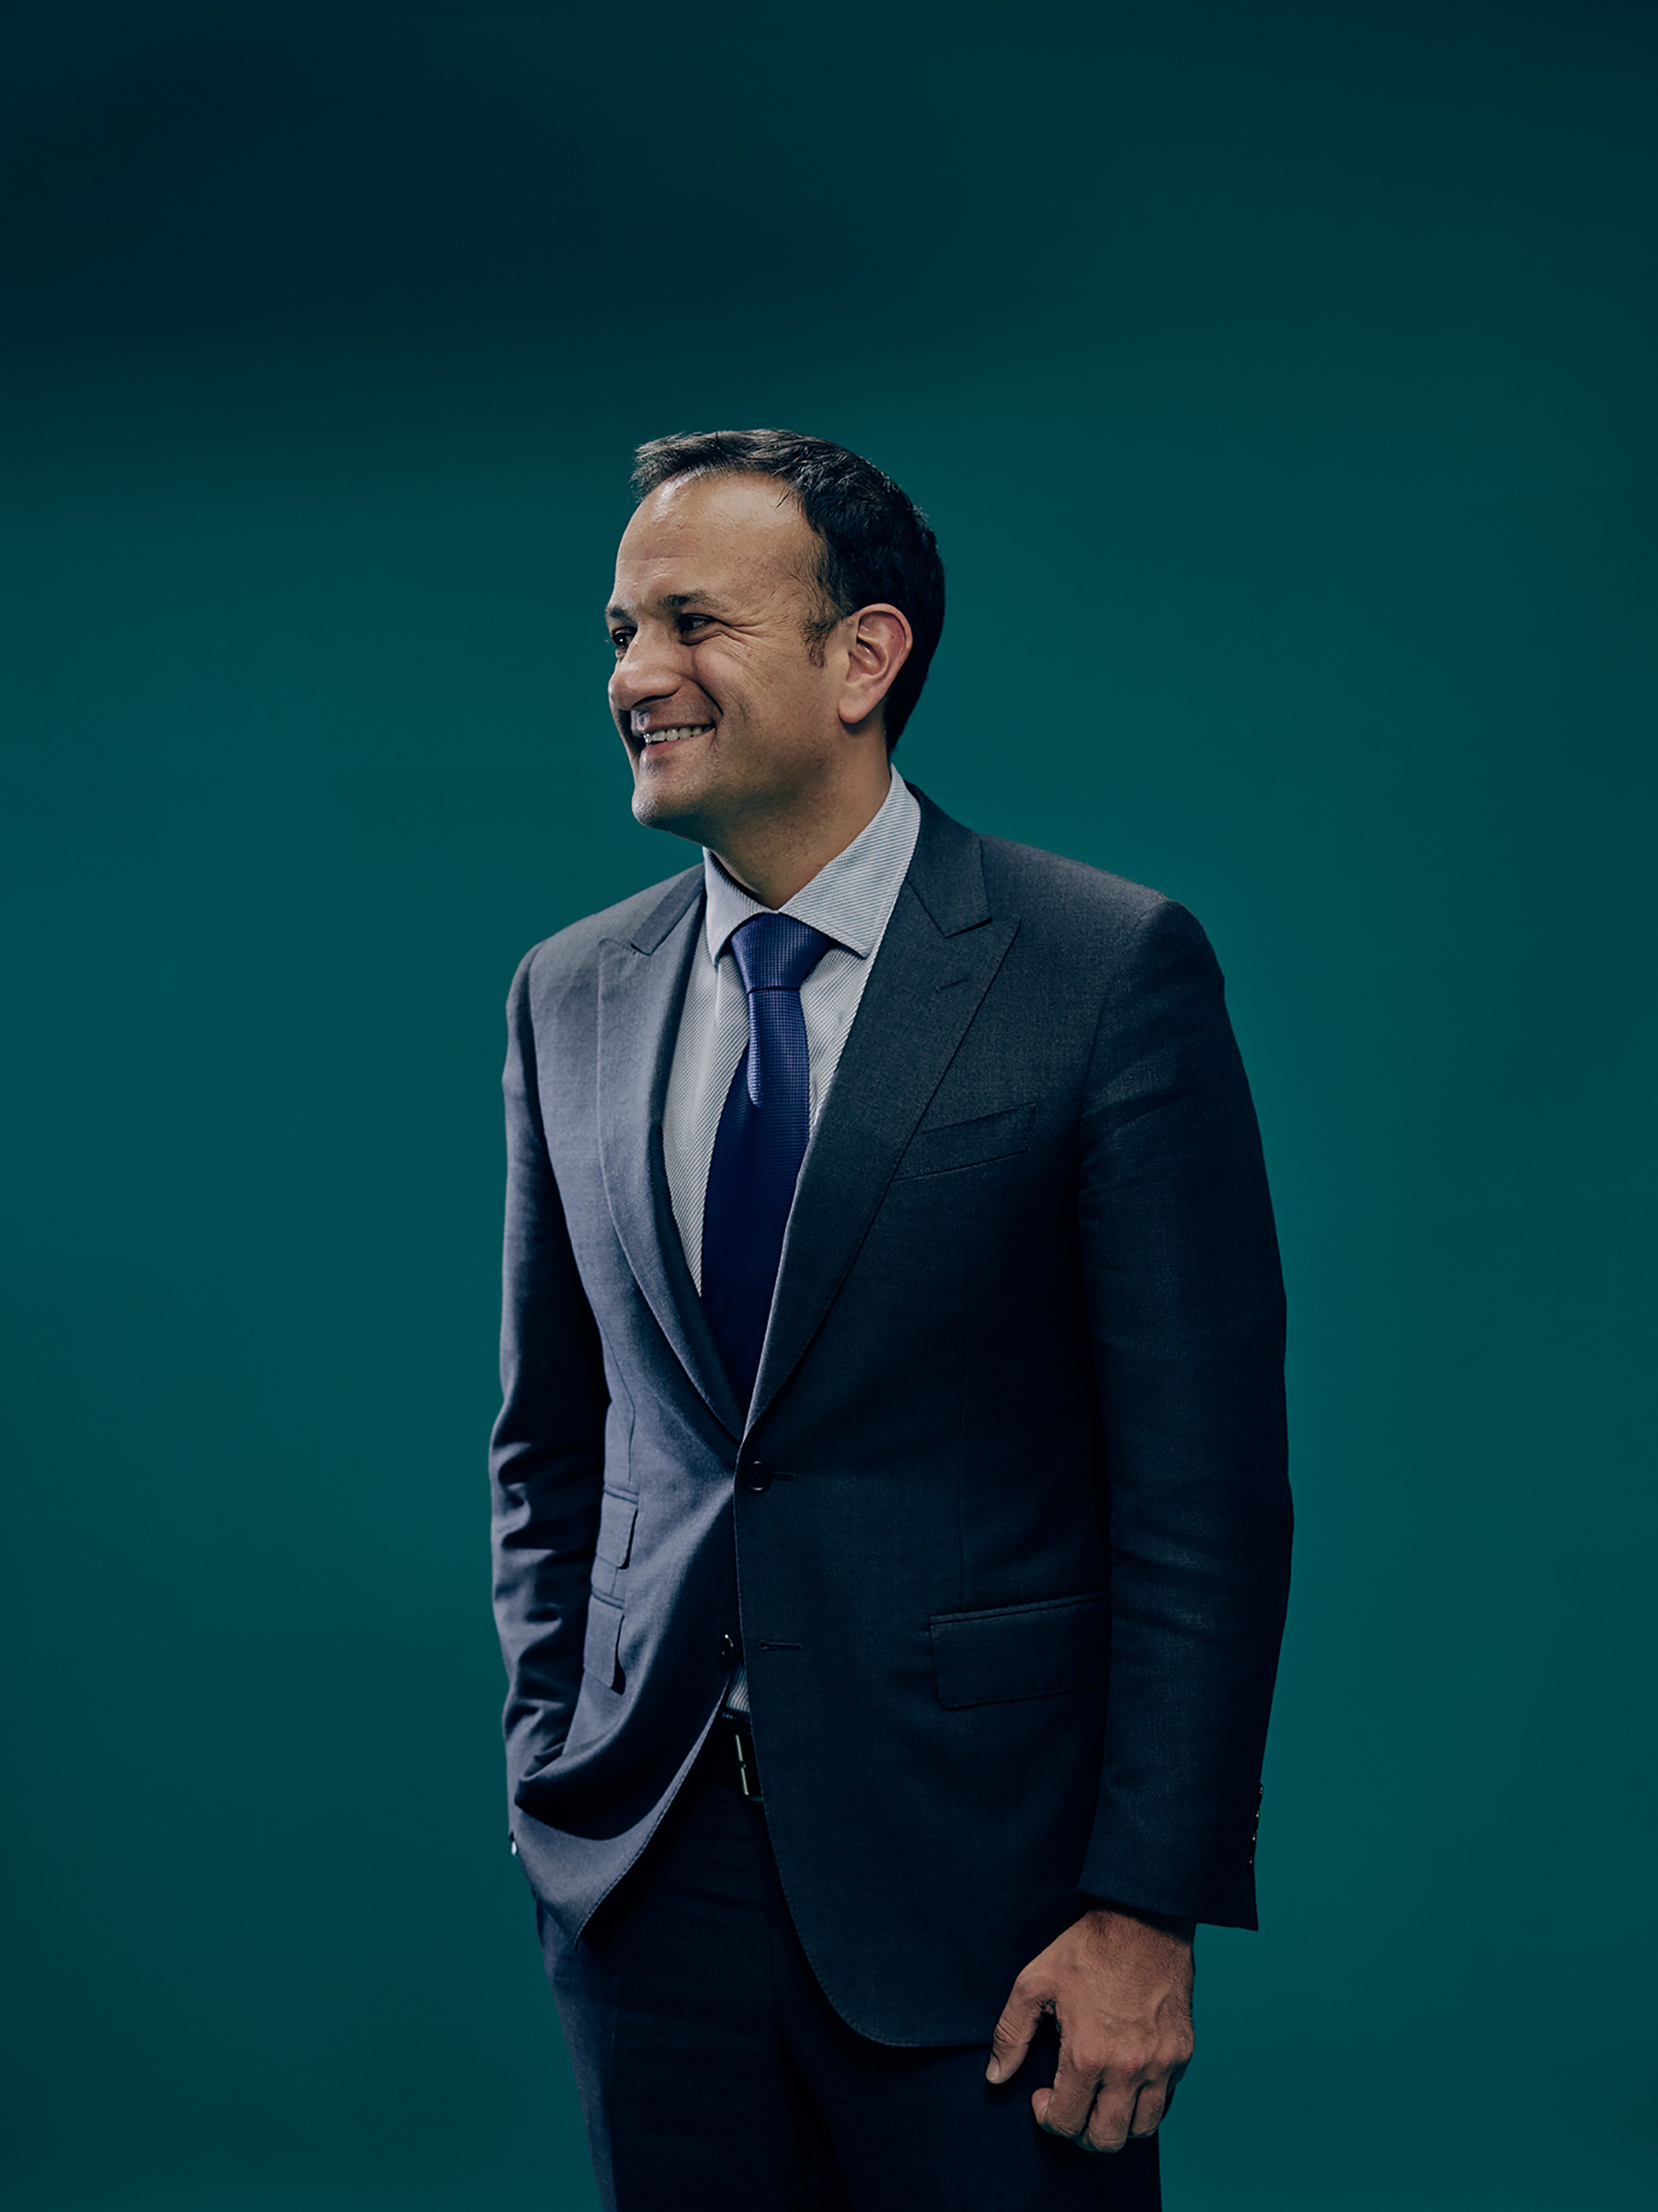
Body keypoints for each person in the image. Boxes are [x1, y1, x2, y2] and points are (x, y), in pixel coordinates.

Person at [489, 429, 1291, 2211]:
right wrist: (560, 1777)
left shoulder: (1103, 970)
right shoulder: (573, 992)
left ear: (865, 658)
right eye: (618, 630)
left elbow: (1200, 1491)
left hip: (995, 1905)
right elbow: (553, 1441)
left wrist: (1141, 1904)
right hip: (647, 1888)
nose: (634, 676)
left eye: (690, 623)